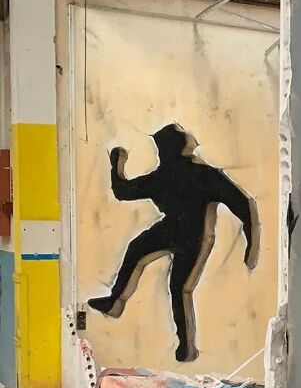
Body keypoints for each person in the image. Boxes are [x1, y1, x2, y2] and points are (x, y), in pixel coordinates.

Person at [88, 124, 258, 362]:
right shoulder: (190, 174)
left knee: (176, 284)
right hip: (183, 232)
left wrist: (116, 165)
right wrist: (250, 243)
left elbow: (123, 190)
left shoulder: (186, 175)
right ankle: (117, 303)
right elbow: (241, 203)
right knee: (163, 273)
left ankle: (184, 344)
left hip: (192, 235)